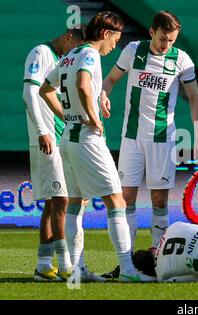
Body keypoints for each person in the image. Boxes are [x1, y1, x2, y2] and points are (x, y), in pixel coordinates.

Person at [39, 11, 153, 282]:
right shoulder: (89, 55)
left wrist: (69, 116)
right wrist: (92, 117)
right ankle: (127, 270)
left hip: (68, 137)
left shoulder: (68, 55)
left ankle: (77, 269)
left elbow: (46, 89)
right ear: (104, 33)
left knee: (76, 204)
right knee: (116, 200)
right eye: (116, 38)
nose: (116, 45)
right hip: (87, 139)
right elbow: (82, 85)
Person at [101, 10, 198, 252]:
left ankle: (158, 256)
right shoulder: (133, 50)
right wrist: (103, 95)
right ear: (151, 32)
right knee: (126, 200)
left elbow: (195, 99)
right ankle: (126, 260)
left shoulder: (182, 60)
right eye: (162, 39)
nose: (166, 44)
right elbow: (111, 79)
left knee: (160, 200)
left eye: (171, 40)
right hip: (132, 138)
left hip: (162, 139)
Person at [23, 26, 85, 281]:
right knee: (61, 199)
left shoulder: (62, 60)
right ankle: (67, 264)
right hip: (47, 138)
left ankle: (43, 264)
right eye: (75, 48)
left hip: (62, 138)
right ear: (69, 37)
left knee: (54, 201)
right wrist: (42, 131)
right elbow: (29, 93)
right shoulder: (40, 53)